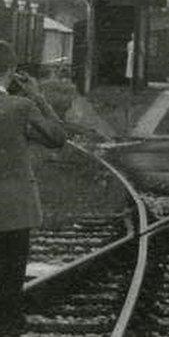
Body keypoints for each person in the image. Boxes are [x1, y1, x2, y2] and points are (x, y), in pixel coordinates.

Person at [0, 40, 66, 333]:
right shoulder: (21, 107)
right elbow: (56, 137)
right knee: (10, 287)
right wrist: (38, 97)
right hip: (13, 210)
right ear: (12, 71)